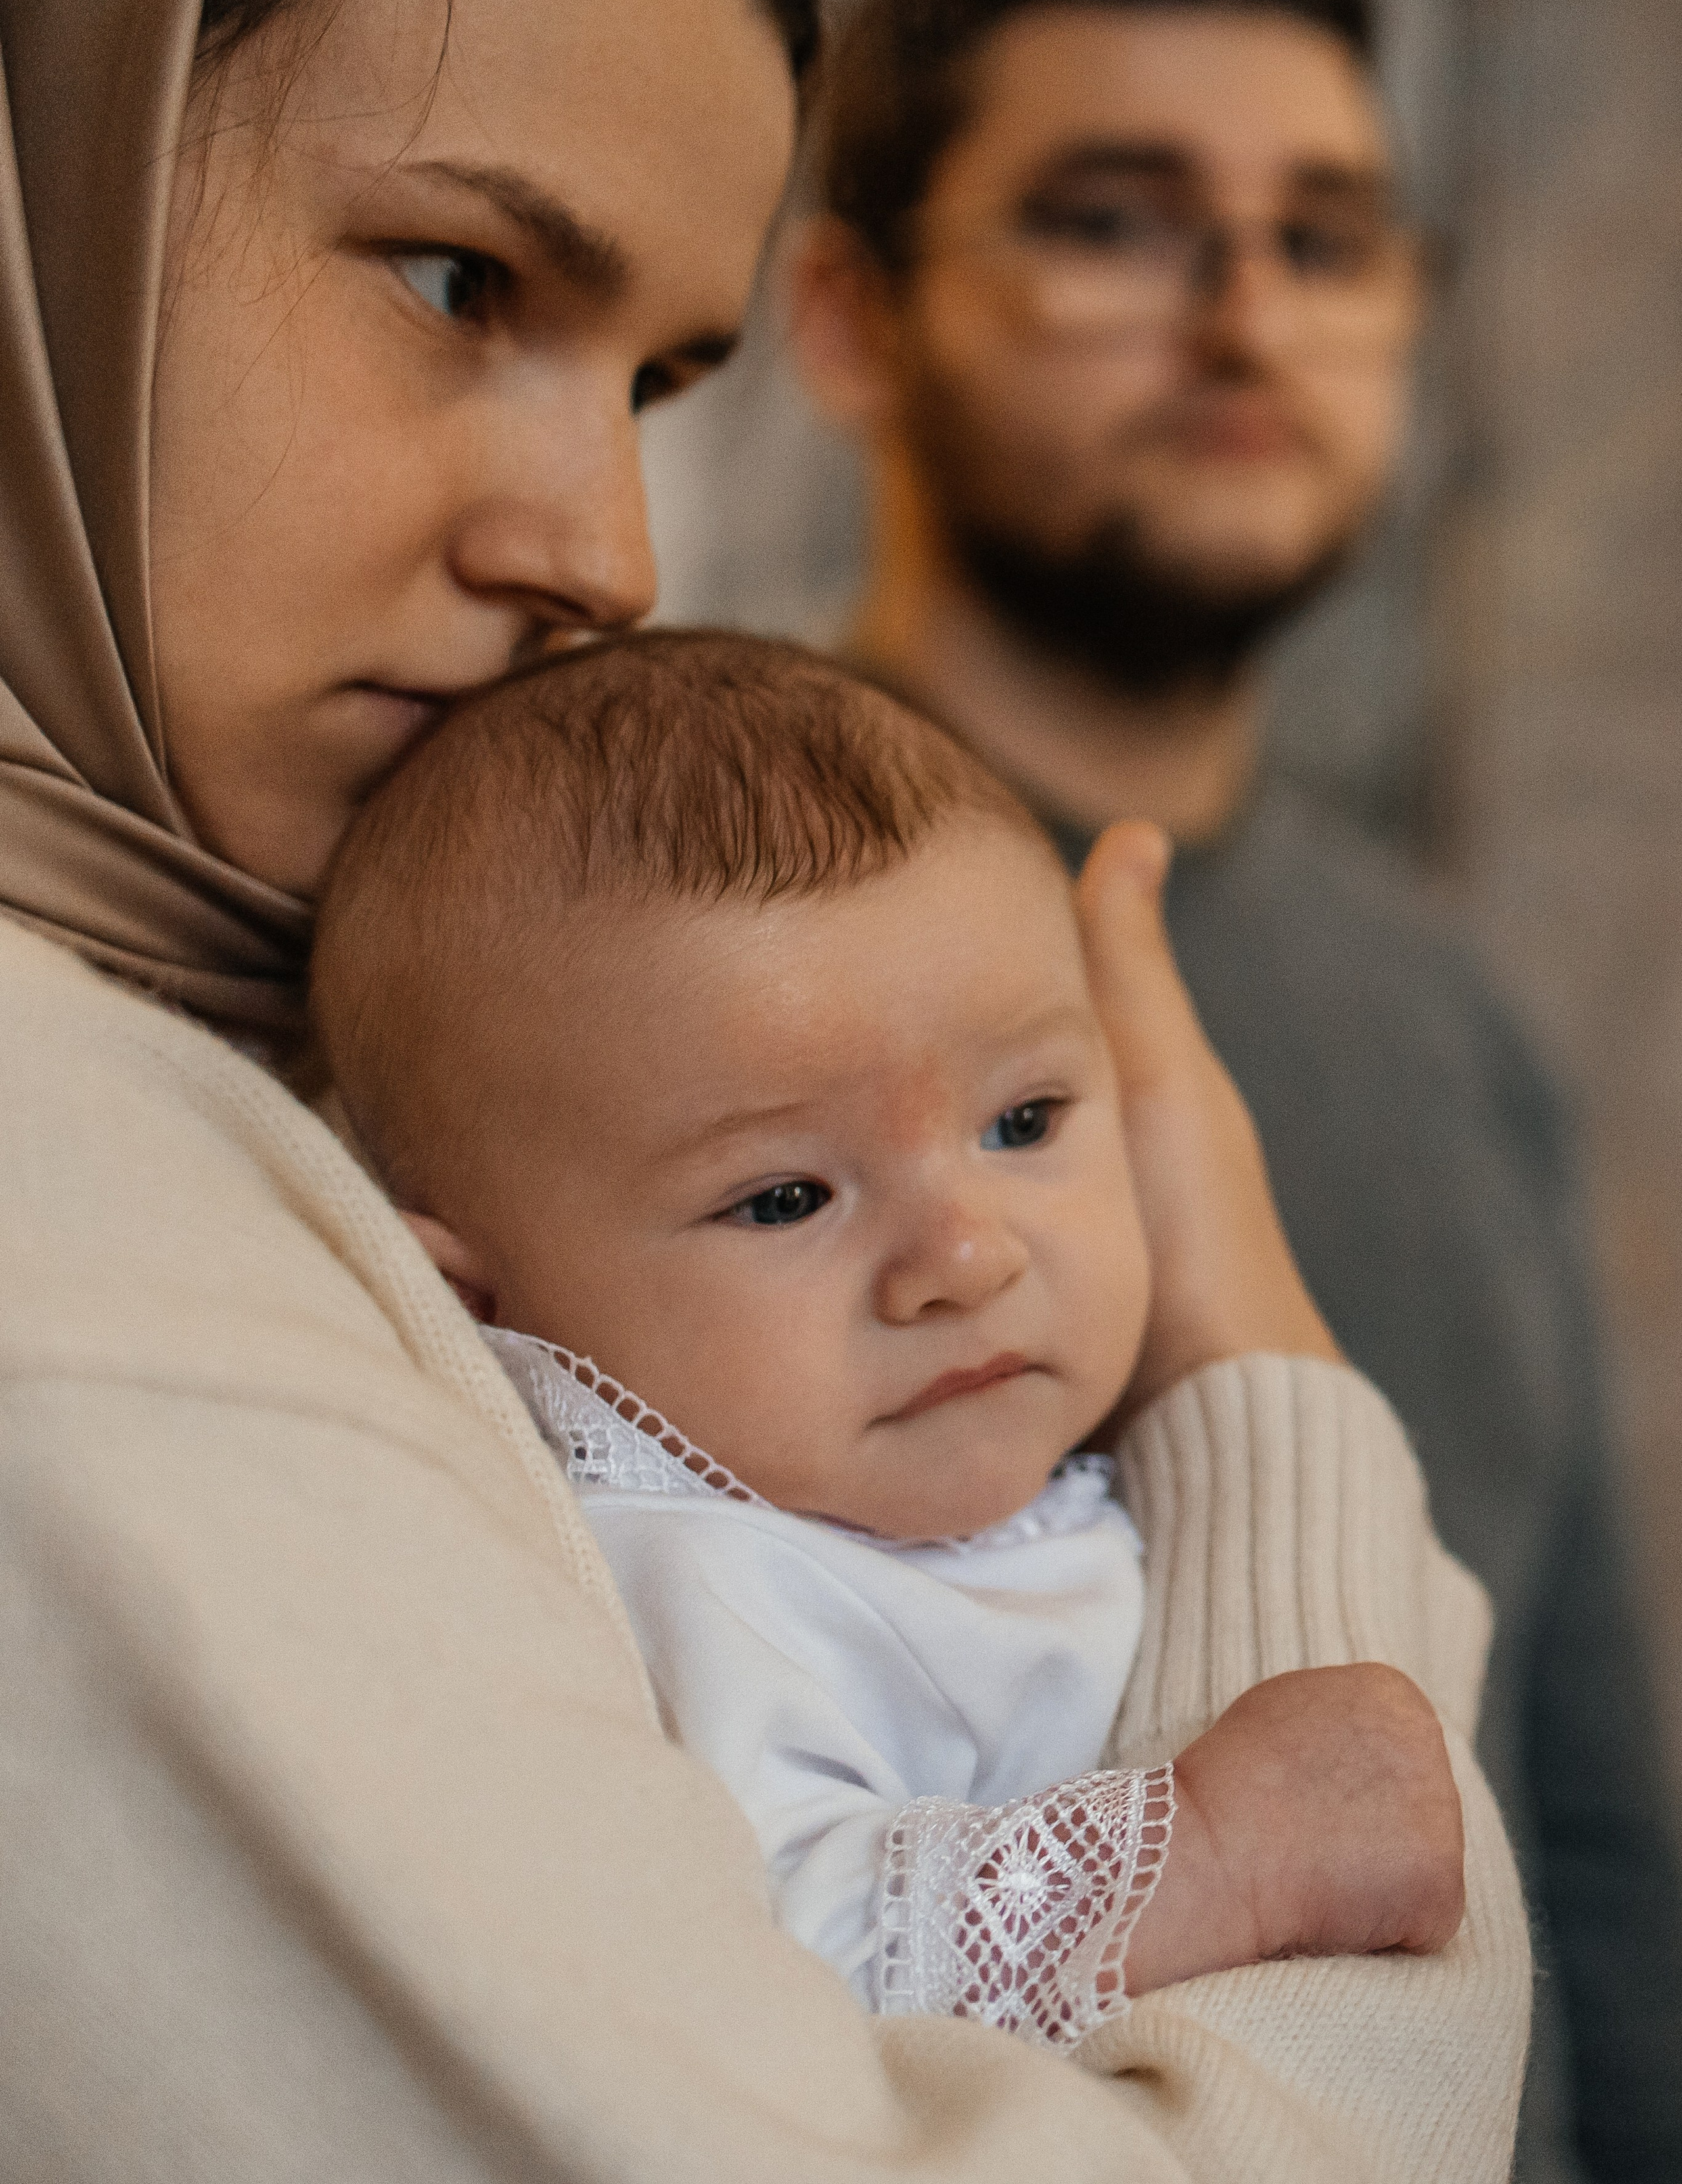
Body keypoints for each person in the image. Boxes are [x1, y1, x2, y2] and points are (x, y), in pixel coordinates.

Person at [0, 0, 1528, 2184]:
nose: (604, 550)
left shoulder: (236, 1031)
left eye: (650, 378)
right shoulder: (79, 1261)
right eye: (459, 278)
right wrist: (1256, 1402)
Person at [787, 0, 1682, 2184]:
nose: (1247, 310)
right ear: (851, 318)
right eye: (1113, 219)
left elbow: (1589, 1838)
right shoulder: (664, 963)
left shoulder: (1441, 1011)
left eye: (1328, 236)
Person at [308, 626, 1469, 2043]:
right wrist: (1213, 1854)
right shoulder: (704, 1586)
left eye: (1023, 1121)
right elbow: (782, 1965)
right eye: (784, 1198)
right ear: (479, 1306)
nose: (966, 1258)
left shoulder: (1034, 1478)